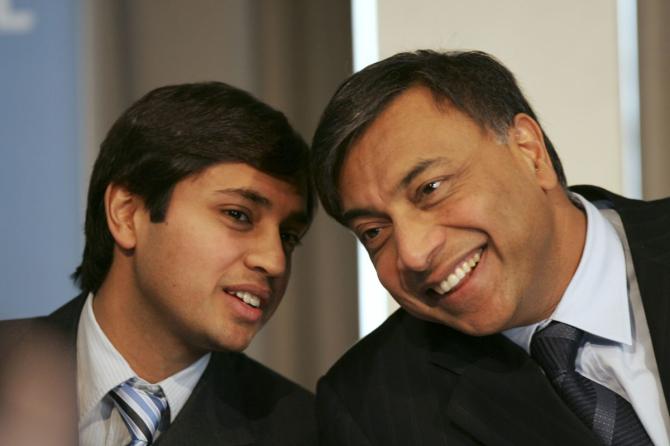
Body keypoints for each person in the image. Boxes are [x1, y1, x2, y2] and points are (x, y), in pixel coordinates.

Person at [311, 50, 670, 445]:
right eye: (375, 232)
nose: (413, 253)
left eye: (430, 189)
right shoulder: (371, 407)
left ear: (529, 152)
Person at [0, 82, 317, 445]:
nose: (274, 260)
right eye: (238, 215)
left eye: (289, 236)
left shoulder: (304, 431)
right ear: (127, 214)